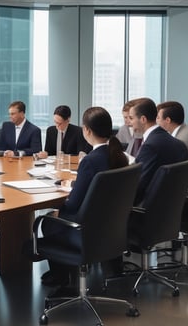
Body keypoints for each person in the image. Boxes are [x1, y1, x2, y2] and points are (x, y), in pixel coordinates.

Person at [36, 106, 128, 288]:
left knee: (48, 220)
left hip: (86, 231)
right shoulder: (118, 156)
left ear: (86, 130)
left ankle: (62, 278)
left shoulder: (90, 160)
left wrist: (59, 209)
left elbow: (73, 204)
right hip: (112, 227)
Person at [128, 97, 188, 205]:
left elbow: (140, 185)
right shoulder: (180, 144)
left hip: (148, 211)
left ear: (143, 119)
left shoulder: (150, 147)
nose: (129, 123)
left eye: (131, 118)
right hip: (172, 210)